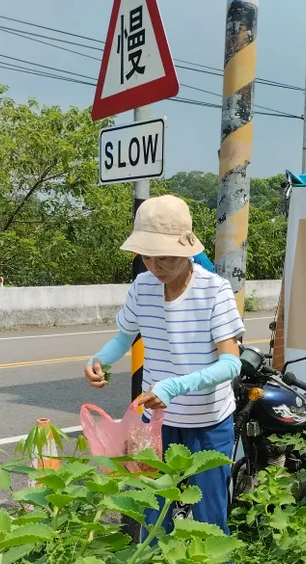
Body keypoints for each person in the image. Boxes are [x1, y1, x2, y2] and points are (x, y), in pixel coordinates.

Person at [85, 195, 244, 535]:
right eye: (147, 256)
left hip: (207, 422)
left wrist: (175, 386)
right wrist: (99, 360)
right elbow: (124, 338)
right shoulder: (142, 286)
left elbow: (232, 364)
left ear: (187, 249)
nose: (156, 266)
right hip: (155, 422)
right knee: (152, 513)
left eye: (166, 257)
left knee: (209, 517)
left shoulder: (215, 291)